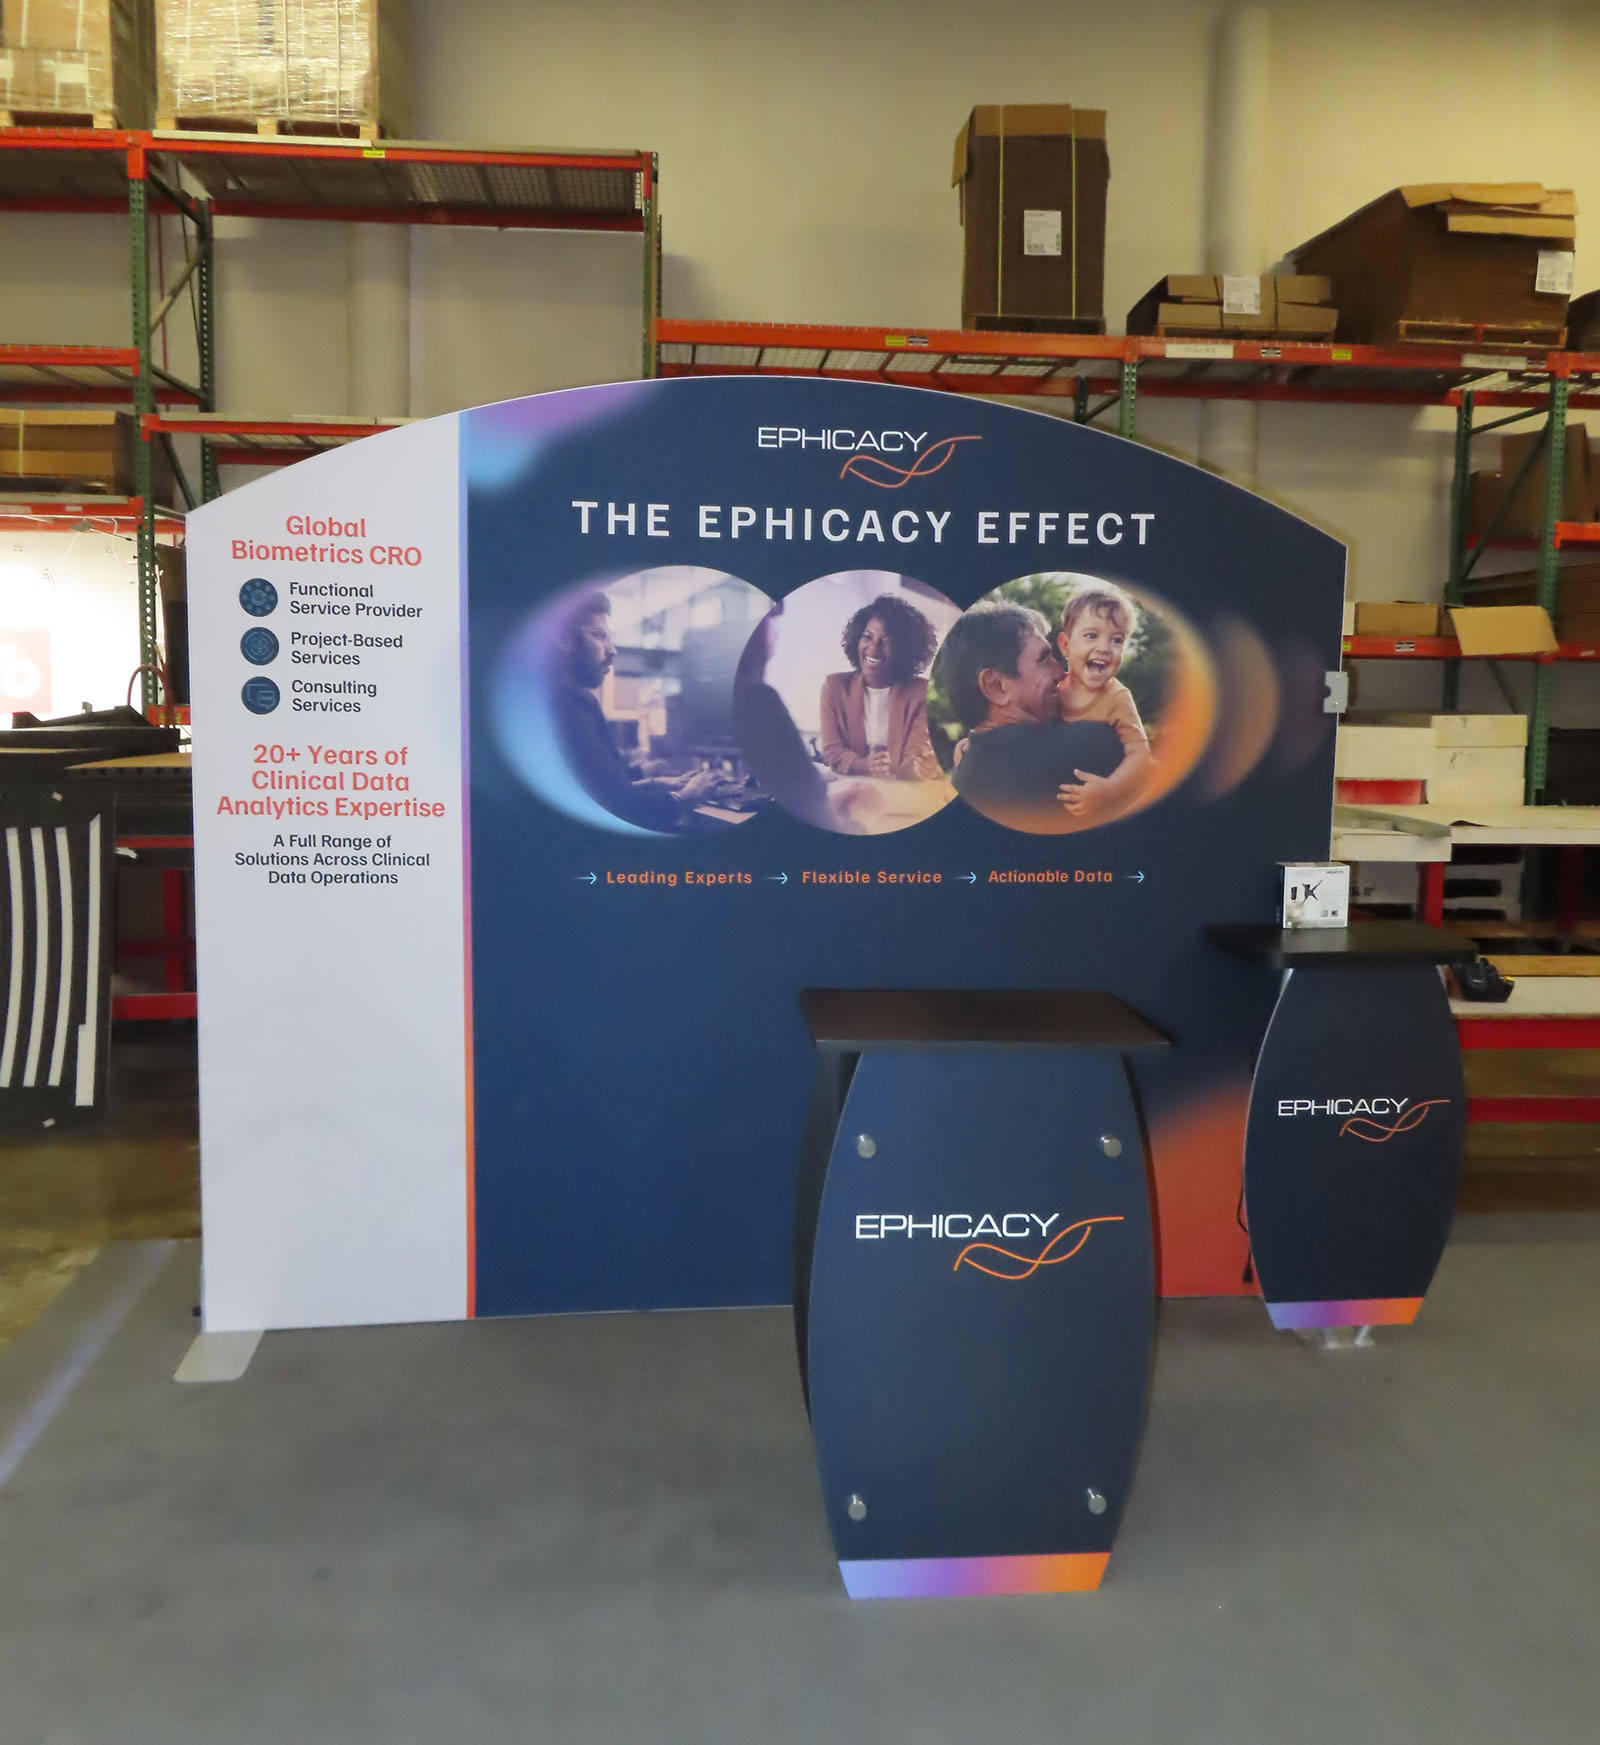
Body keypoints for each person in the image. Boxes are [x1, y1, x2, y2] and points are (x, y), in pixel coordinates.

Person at [936, 602, 1123, 832]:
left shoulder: (962, 780)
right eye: (1043, 660)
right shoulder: (1090, 743)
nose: (1061, 672)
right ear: (995, 686)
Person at [552, 592, 719, 833]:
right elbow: (628, 809)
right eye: (599, 636)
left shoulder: (551, 696)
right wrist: (687, 796)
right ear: (565, 638)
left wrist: (656, 782)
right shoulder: (567, 700)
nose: (612, 650)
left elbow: (604, 789)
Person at [1052, 581, 1153, 821]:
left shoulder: (1117, 697)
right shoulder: (1052, 690)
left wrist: (1109, 790)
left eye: (1117, 640)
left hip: (1099, 809)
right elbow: (1015, 720)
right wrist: (975, 743)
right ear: (1065, 645)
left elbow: (1140, 755)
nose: (1104, 648)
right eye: (1091, 635)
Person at [818, 594, 942, 781]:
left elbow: (916, 756)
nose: (873, 648)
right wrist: (866, 765)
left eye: (886, 641)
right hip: (848, 785)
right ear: (857, 640)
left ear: (903, 650)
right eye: (867, 637)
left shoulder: (922, 692)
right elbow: (832, 752)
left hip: (900, 789)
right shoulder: (834, 686)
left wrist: (916, 767)